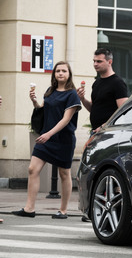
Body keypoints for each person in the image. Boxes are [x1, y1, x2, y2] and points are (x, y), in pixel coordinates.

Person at [12, 61, 81, 219]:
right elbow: (43, 109)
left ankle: (63, 210)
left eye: (64, 71)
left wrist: (49, 134)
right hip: (45, 138)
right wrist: (34, 101)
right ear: (54, 74)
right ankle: (29, 209)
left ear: (69, 74)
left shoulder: (72, 94)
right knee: (32, 169)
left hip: (63, 139)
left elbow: (66, 119)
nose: (60, 73)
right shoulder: (50, 91)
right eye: (58, 71)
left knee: (64, 173)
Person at [77, 48, 128, 132]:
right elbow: (92, 108)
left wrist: (104, 127)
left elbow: (123, 111)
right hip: (96, 132)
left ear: (110, 62)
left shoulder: (118, 83)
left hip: (109, 132)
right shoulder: (96, 83)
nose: (95, 64)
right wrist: (82, 98)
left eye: (99, 61)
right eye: (94, 61)